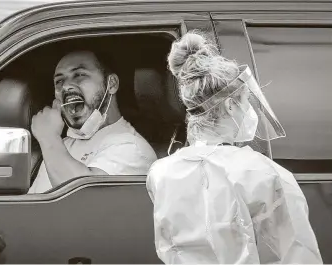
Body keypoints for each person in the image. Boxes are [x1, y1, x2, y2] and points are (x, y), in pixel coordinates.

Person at [146, 31, 323, 264]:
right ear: (230, 105)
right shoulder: (264, 174)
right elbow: (299, 256)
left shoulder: (160, 174)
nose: (249, 109)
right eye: (246, 100)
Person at [28, 49, 157, 193]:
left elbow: (81, 198)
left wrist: (49, 137)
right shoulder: (63, 145)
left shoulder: (133, 149)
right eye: (59, 81)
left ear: (112, 84)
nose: (66, 87)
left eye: (79, 75)